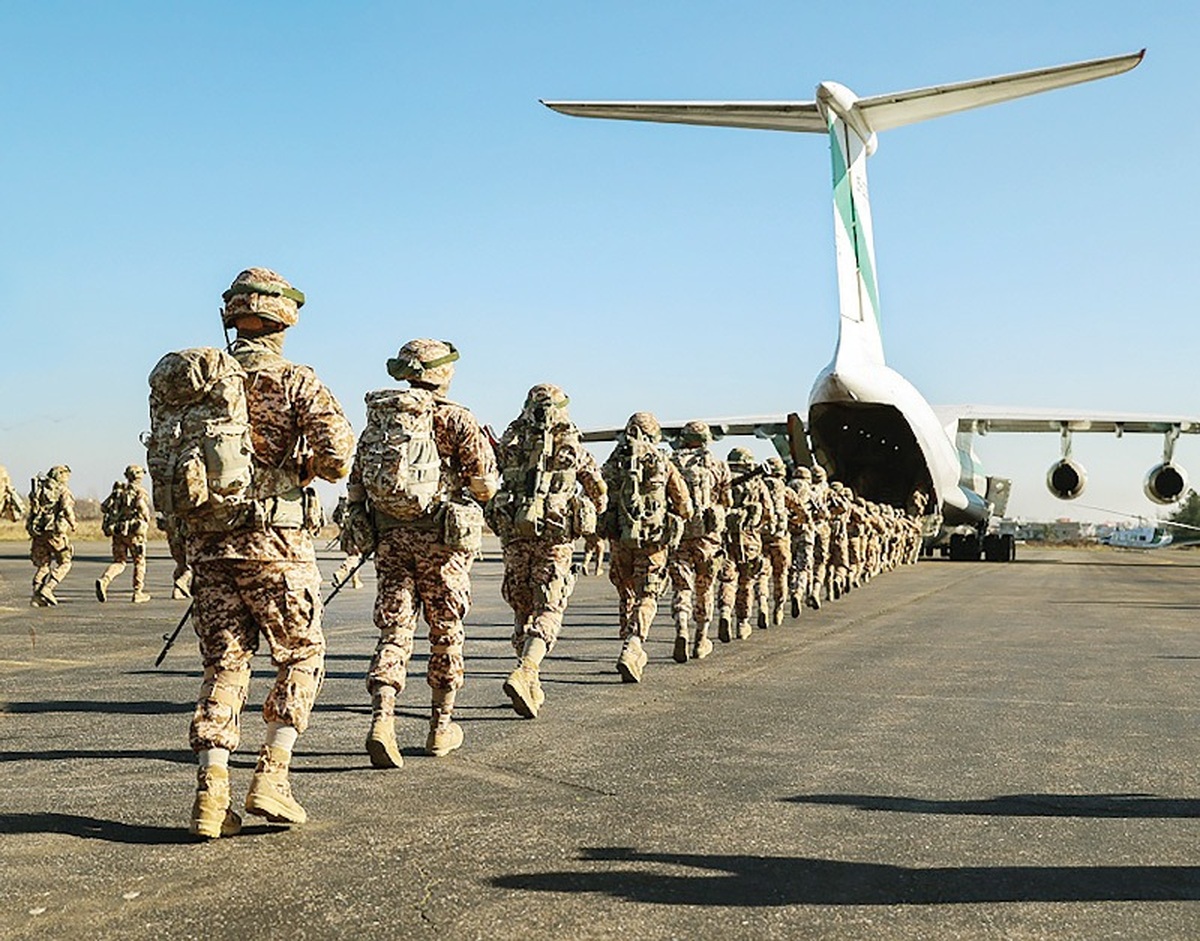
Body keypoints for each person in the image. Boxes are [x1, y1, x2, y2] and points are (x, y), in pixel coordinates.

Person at [154, 267, 354, 839]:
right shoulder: (296, 380)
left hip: (209, 546)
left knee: (224, 664)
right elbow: (338, 457)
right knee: (300, 654)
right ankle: (273, 775)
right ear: (283, 319)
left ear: (231, 315)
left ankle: (211, 792)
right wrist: (301, 468)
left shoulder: (194, 383)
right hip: (276, 545)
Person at [348, 338, 498, 767]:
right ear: (444, 373)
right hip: (442, 543)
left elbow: (357, 484)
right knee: (445, 631)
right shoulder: (456, 419)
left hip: (392, 540)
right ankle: (440, 726)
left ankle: (382, 717)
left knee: (394, 631)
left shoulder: (379, 421)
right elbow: (484, 486)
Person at [487, 383, 607, 717]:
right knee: (549, 605)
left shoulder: (510, 439)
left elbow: (487, 476)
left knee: (522, 605)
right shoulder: (571, 442)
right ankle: (527, 669)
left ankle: (531, 680)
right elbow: (597, 489)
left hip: (514, 534)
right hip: (555, 536)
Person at [600, 412, 693, 683]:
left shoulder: (615, 459)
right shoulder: (663, 461)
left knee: (626, 590)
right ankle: (633, 644)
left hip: (620, 541)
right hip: (652, 542)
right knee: (648, 594)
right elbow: (685, 505)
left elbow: (601, 495)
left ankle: (625, 639)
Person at [666, 420, 731, 661]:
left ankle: (681, 627)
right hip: (708, 539)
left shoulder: (671, 463)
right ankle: (701, 639)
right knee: (704, 588)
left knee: (682, 587)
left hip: (679, 535)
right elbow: (727, 501)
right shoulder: (718, 465)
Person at [716, 447, 772, 641]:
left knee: (727, 579)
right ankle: (742, 622)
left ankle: (724, 612)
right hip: (749, 540)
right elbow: (768, 513)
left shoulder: (723, 480)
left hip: (725, 539)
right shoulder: (757, 483)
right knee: (747, 581)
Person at [757, 456, 805, 627]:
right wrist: (794, 521)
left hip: (760, 538)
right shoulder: (785, 490)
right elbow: (802, 512)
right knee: (781, 574)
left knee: (761, 574)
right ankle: (778, 608)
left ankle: (762, 604)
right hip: (780, 538)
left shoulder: (757, 486)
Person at [96, 464, 153, 603]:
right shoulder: (140, 492)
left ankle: (104, 580)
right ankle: (138, 592)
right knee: (139, 561)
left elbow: (104, 507)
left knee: (119, 562)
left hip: (118, 531)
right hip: (134, 533)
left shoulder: (118, 492)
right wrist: (147, 518)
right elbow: (142, 508)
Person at [26, 464, 76, 606]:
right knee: (65, 563)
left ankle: (36, 596)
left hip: (38, 532)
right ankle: (48, 588)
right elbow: (67, 508)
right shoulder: (62, 490)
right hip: (54, 533)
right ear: (60, 475)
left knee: (43, 565)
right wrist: (73, 523)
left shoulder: (39, 490)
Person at [330, 494, 364, 590]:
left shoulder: (342, 507)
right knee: (355, 556)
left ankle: (355, 581)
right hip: (355, 535)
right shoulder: (356, 504)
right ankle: (341, 572)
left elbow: (335, 517)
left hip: (345, 535)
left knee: (355, 558)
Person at [157, 513, 193, 600]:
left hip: (173, 541)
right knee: (190, 567)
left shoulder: (168, 512)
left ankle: (177, 591)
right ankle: (182, 581)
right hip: (184, 541)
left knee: (181, 565)